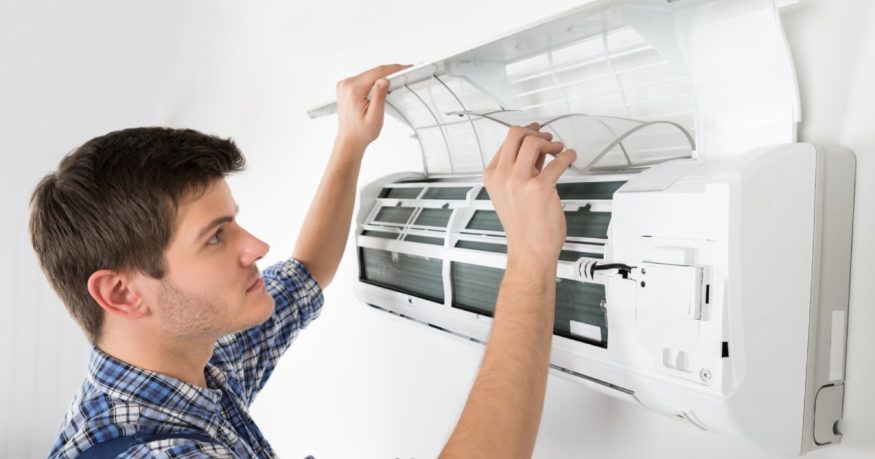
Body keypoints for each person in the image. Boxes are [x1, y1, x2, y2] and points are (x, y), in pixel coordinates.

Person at [32, 64, 575, 458]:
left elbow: (307, 273)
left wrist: (351, 144)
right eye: (216, 238)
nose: (256, 247)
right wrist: (529, 256)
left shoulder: (184, 366)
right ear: (121, 293)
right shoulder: (161, 454)